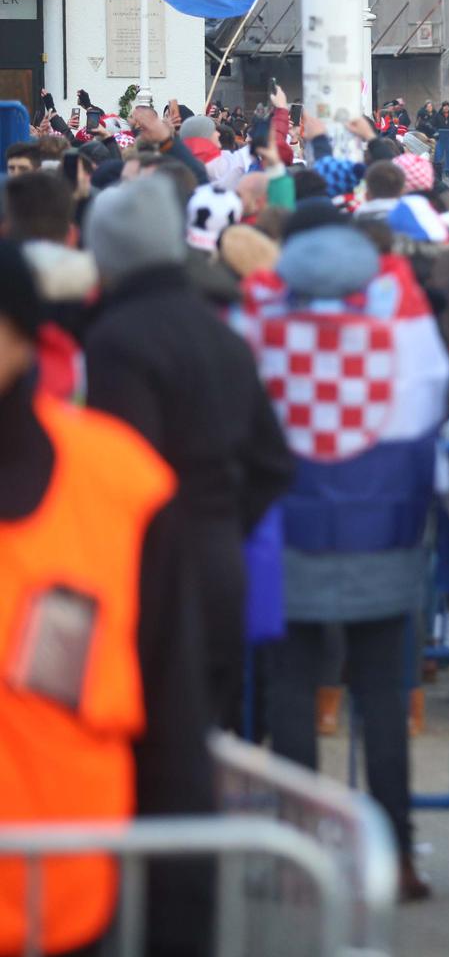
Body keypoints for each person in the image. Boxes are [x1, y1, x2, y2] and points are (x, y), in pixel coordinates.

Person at [240, 218, 449, 903]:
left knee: (291, 698)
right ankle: (397, 854)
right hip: (383, 539)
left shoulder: (260, 325)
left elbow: (241, 427)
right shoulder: (402, 325)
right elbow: (428, 412)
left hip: (288, 542)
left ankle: (294, 851)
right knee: (383, 703)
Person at [0, 242, 190, 957]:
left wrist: (182, 926)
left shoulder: (120, 483)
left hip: (67, 904)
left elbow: (173, 721)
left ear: (22, 336)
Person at [81, 177, 294, 726]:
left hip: (147, 574)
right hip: (220, 561)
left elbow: (118, 469)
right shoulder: (224, 334)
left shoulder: (115, 340)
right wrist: (221, 518)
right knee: (209, 744)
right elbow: (273, 461)